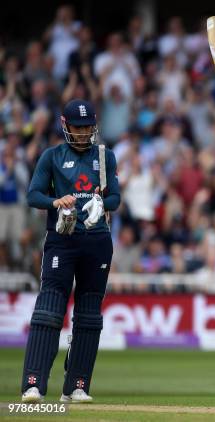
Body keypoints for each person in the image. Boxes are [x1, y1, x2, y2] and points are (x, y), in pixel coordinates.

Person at [20, 99, 120, 403]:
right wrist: (56, 202)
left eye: (88, 126)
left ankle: (77, 385)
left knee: (89, 316)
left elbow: (115, 197)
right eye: (78, 127)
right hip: (62, 241)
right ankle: (33, 383)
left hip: (97, 241)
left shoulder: (105, 157)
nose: (84, 132)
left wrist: (102, 204)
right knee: (50, 309)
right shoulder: (52, 156)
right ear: (65, 126)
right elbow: (33, 194)